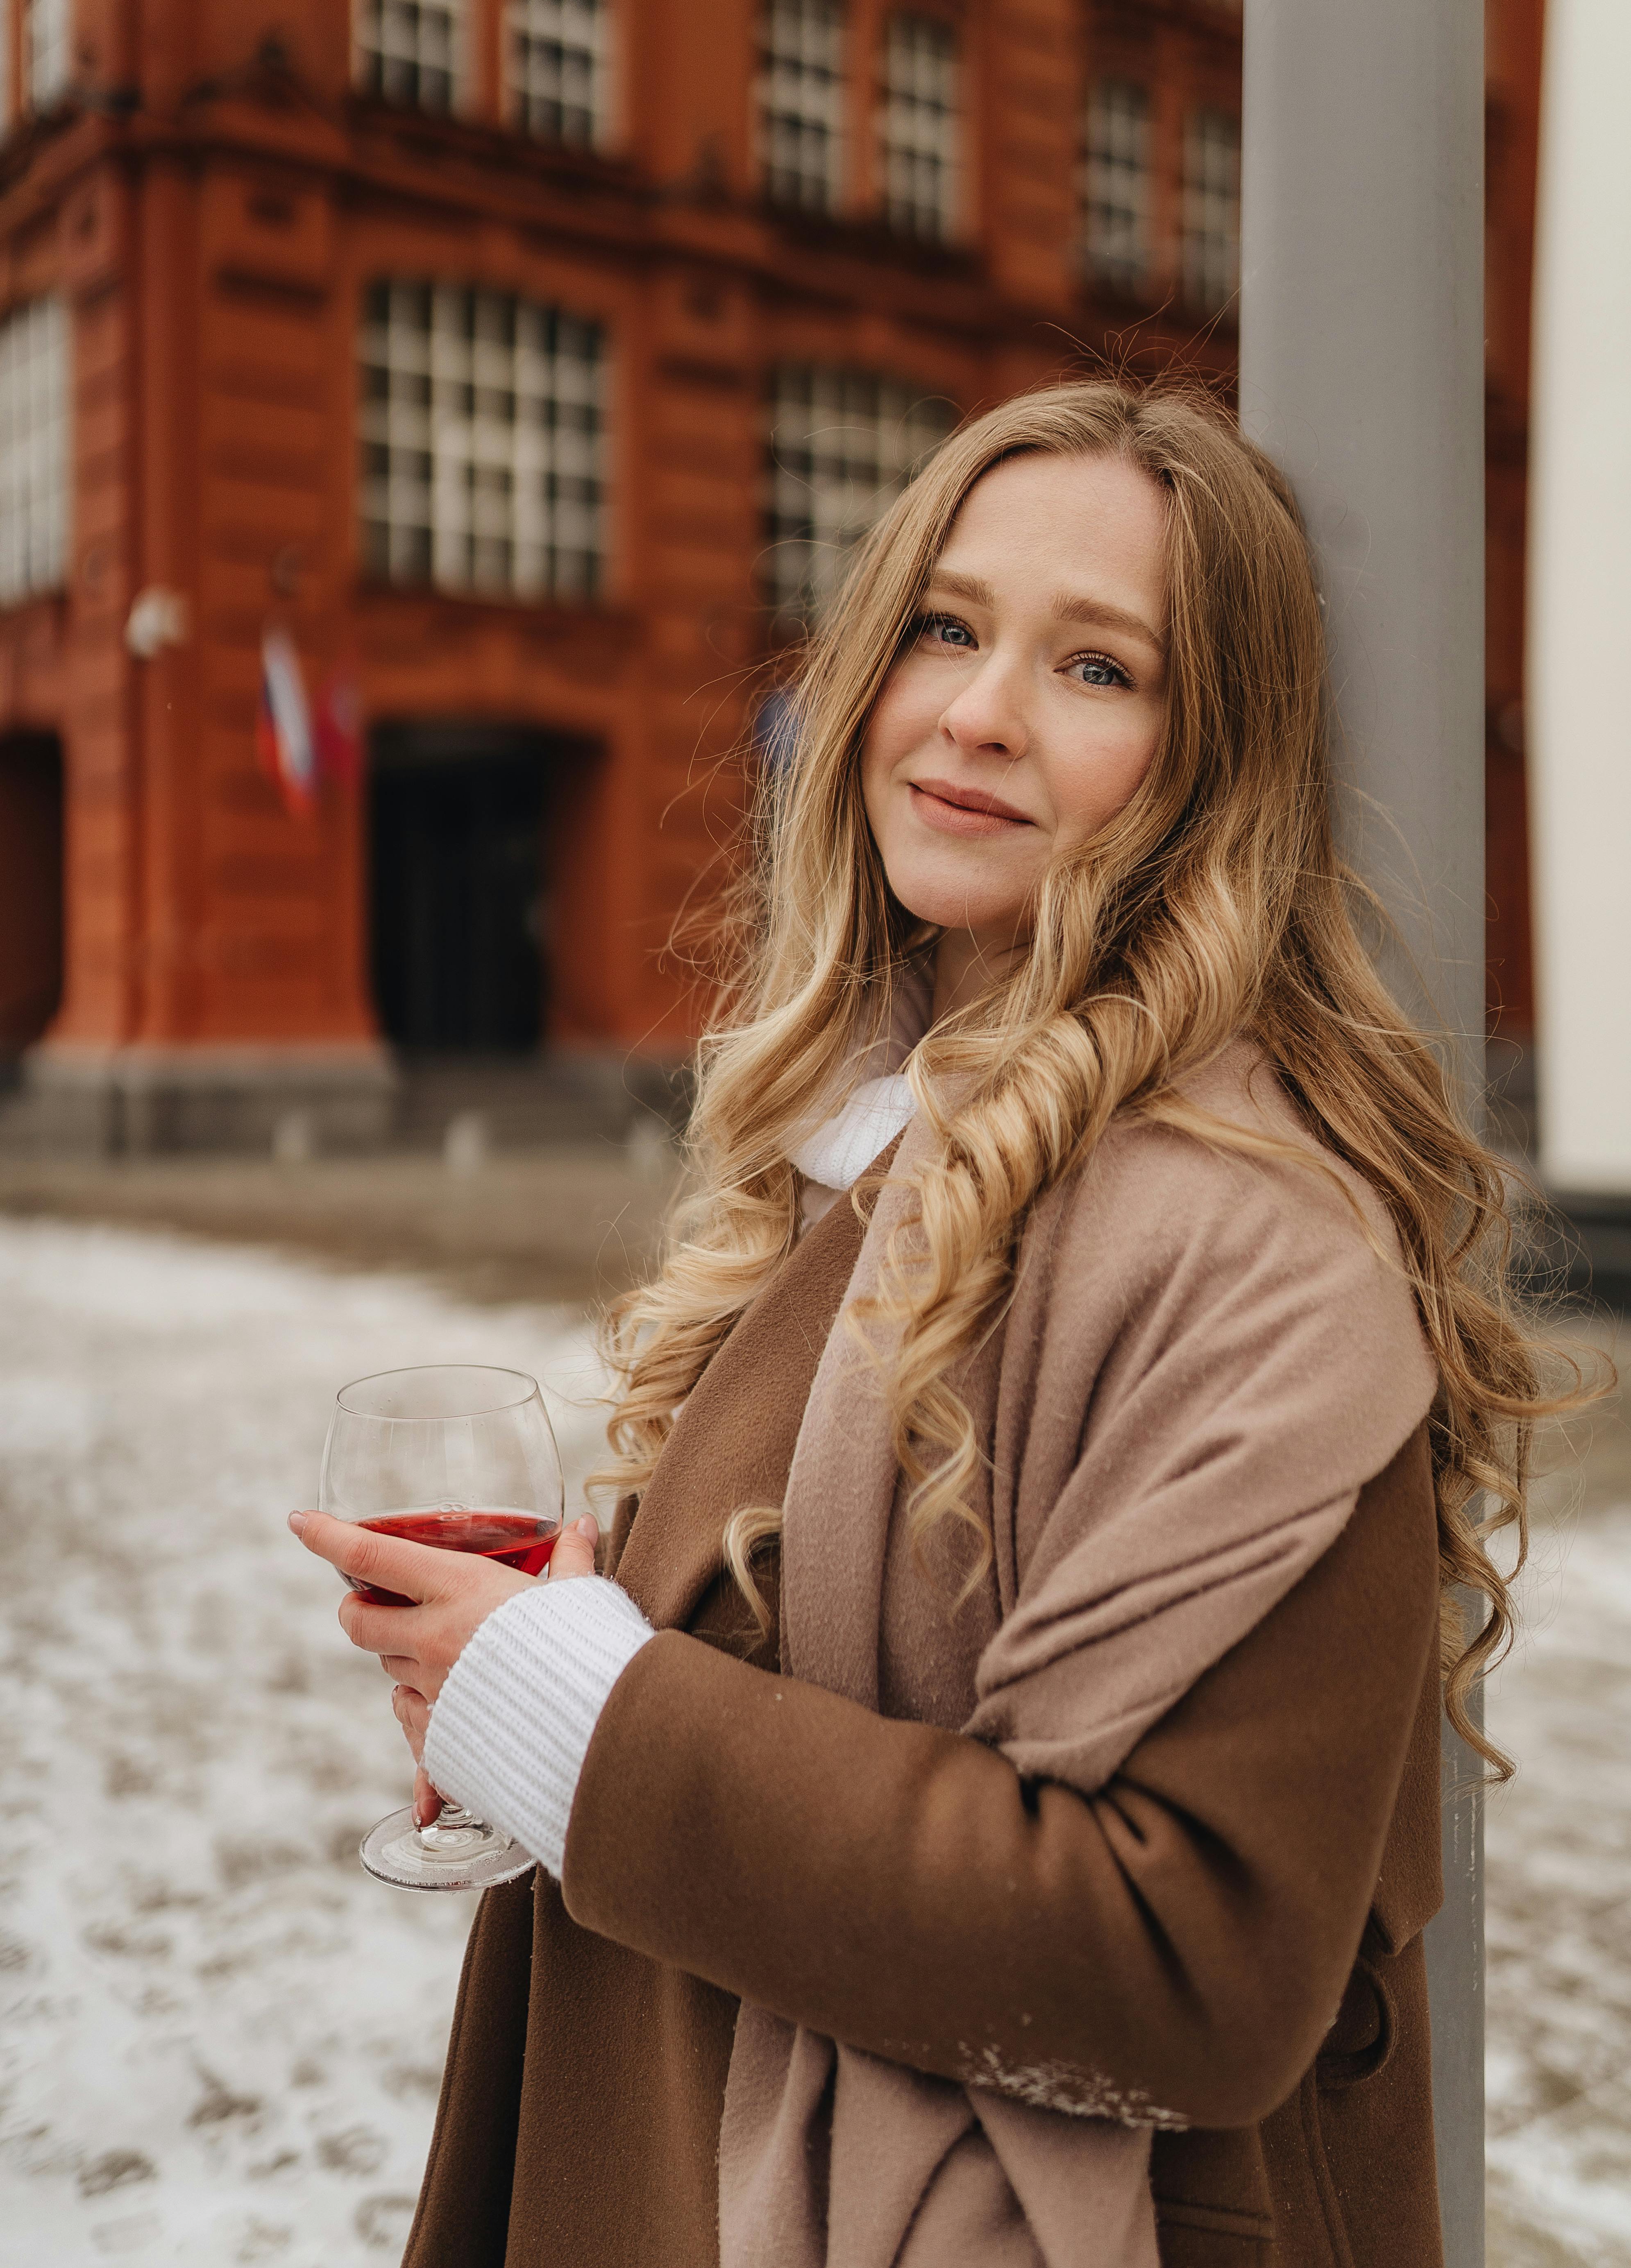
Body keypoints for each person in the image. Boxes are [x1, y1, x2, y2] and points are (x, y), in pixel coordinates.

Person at [291, 379, 1562, 2268]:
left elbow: (1186, 1953)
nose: (976, 712)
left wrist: (589, 1714)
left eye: (1098, 666)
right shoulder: (881, 1135)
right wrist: (580, 1638)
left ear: (1215, 760)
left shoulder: (1243, 1240)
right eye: (947, 629)